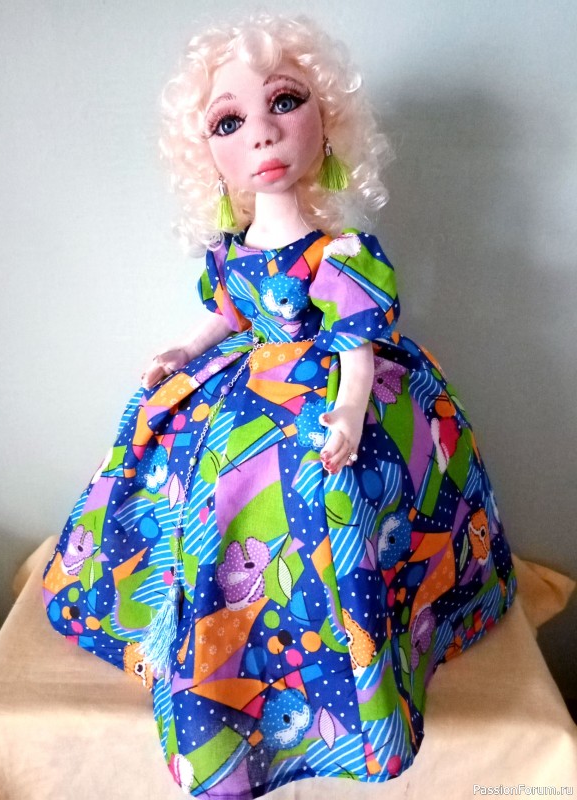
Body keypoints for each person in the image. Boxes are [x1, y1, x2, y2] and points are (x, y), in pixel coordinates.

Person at [42, 13, 516, 797]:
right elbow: (227, 314)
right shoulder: (232, 250)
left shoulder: (341, 254)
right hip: (246, 377)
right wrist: (183, 350)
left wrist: (351, 410)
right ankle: (203, 641)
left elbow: (357, 345)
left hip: (328, 385)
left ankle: (350, 665)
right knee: (178, 449)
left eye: (285, 103)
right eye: (228, 121)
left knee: (331, 486)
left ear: (329, 121)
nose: (262, 133)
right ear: (205, 153)